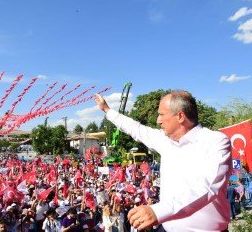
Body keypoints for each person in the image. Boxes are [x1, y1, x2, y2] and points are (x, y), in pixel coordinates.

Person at [95, 91, 232, 232]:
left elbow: (207, 188)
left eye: (161, 114)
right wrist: (107, 110)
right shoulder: (165, 140)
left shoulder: (216, 142)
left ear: (180, 116)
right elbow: (136, 129)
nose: (158, 120)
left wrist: (158, 212)